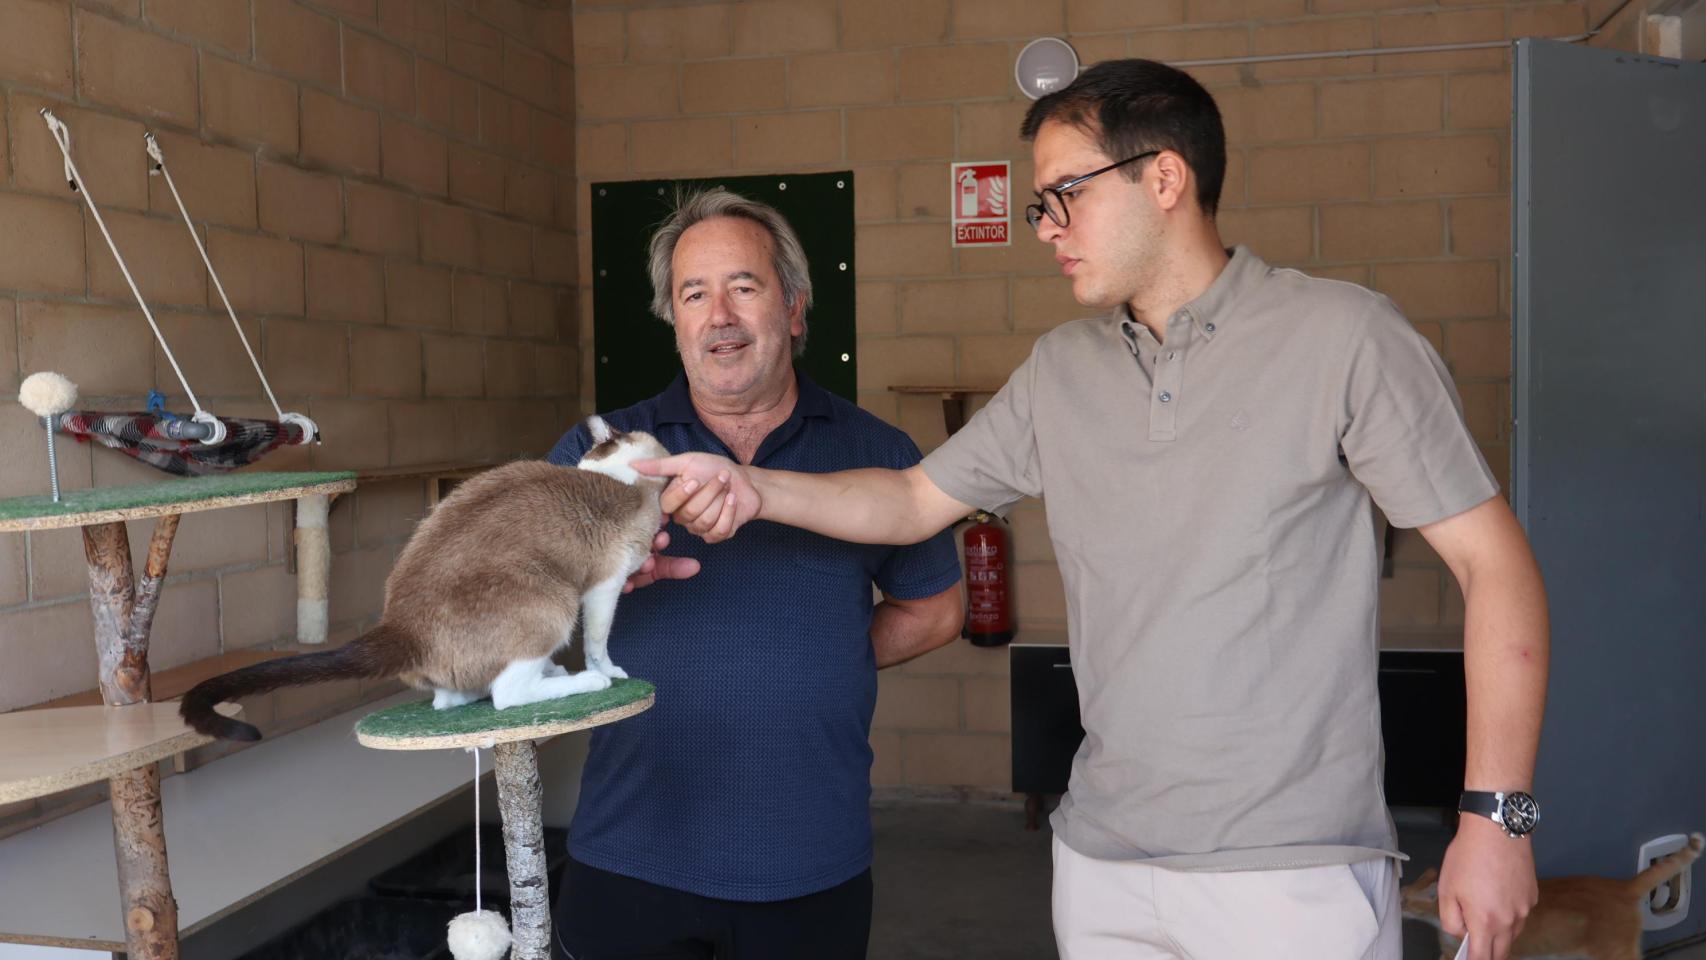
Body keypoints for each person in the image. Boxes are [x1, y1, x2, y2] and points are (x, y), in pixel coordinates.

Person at [638, 60, 1550, 960]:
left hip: (1290, 869)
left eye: (1064, 194)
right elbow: (914, 498)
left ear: (1164, 178)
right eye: (1042, 203)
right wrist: (755, 488)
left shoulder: (1346, 337)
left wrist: (1497, 819)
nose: (1045, 227)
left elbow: (1494, 566)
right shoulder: (1061, 369)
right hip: (1102, 859)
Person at [545, 188, 963, 960]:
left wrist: (815, 658)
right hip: (631, 851)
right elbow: (529, 607)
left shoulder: (879, 453)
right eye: (693, 294)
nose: (719, 316)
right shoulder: (599, 451)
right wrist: (583, 591)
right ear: (674, 321)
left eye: (744, 286)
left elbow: (935, 611)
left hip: (809, 862)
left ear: (796, 309)